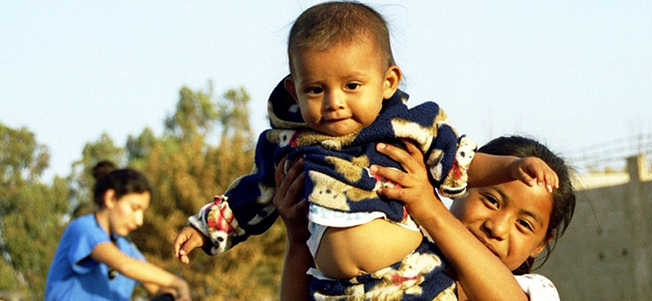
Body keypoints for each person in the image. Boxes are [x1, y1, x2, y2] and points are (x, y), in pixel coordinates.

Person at [174, 1, 558, 299]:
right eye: (316, 89)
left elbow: (460, 157)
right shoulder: (292, 146)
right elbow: (251, 194)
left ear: (387, 82)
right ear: (294, 90)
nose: (335, 102)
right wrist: (214, 229)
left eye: (352, 86)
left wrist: (510, 168)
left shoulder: (404, 129)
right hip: (339, 292)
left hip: (414, 282)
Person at [275, 135, 575, 301]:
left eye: (524, 224)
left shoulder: (532, 290)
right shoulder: (400, 246)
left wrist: (429, 207)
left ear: (540, 245)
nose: (497, 227)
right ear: (459, 186)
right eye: (491, 201)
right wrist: (301, 240)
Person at [45, 161, 191, 301]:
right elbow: (124, 265)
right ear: (111, 198)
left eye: (143, 211)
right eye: (135, 208)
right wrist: (179, 283)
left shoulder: (126, 248)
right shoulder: (84, 228)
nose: (139, 220)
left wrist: (175, 295)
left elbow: (156, 286)